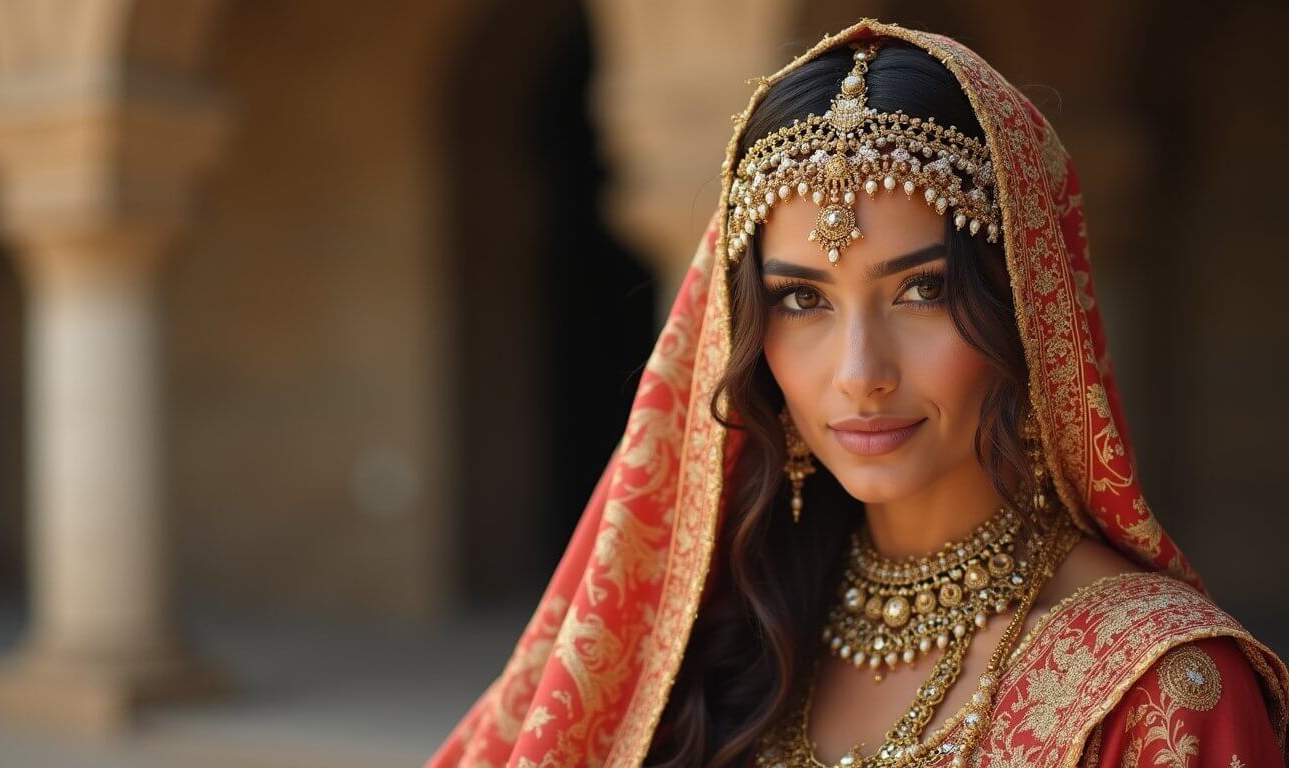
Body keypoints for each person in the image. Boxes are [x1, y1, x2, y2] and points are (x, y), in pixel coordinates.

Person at [428, 18, 1287, 768]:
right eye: (802, 300)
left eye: (922, 291)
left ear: (1028, 312)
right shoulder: (720, 636)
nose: (859, 372)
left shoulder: (1161, 688)